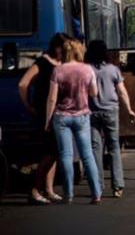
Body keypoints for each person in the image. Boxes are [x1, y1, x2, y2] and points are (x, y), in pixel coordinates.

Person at [45, 39, 102, 204]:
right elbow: (94, 93)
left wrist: (47, 120)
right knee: (87, 155)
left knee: (66, 155)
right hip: (82, 116)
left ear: (64, 52)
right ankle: (96, 193)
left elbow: (52, 98)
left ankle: (68, 194)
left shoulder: (58, 71)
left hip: (62, 116)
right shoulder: (87, 69)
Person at [18, 33, 69, 205]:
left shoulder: (63, 63)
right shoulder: (42, 62)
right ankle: (35, 190)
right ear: (57, 47)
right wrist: (29, 105)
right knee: (50, 151)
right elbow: (23, 84)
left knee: (53, 152)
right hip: (44, 112)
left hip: (59, 112)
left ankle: (48, 189)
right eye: (65, 47)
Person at [86, 40, 135, 198]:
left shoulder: (87, 70)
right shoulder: (113, 69)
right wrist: (129, 109)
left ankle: (98, 187)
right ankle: (118, 186)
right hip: (111, 111)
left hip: (92, 112)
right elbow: (122, 91)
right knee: (114, 148)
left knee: (96, 149)